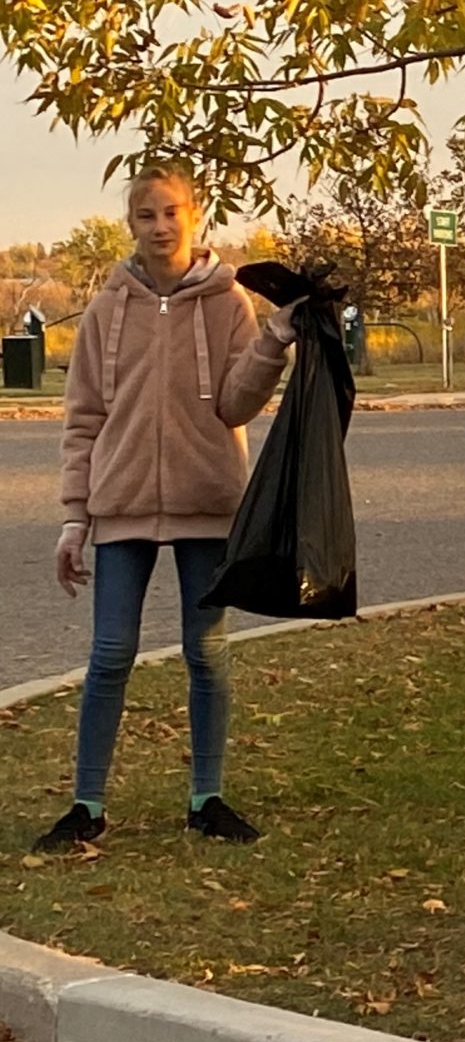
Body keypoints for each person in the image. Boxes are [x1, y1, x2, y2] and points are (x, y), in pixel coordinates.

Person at [36, 165, 298, 853]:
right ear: (131, 223)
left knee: (206, 653)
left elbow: (239, 402)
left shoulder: (227, 301)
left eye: (172, 212)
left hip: (208, 503)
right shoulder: (106, 307)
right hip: (119, 505)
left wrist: (273, 341)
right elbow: (84, 416)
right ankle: (87, 803)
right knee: (110, 652)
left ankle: (206, 797)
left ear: (196, 214)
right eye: (146, 215)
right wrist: (74, 517)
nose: (160, 226)